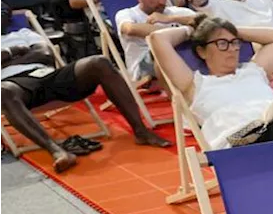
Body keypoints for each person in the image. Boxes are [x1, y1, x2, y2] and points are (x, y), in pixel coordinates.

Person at [0, 25, 170, 172]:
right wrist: (21, 52)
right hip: (13, 87)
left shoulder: (22, 33)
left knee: (99, 62)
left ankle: (141, 131)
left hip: (48, 76)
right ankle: (57, 151)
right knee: (4, 90)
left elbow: (45, 55)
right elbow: (35, 54)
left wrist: (8, 55)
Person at [148, 19, 273, 149]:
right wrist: (194, 29)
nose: (232, 49)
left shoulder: (253, 70)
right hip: (240, 138)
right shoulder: (195, 84)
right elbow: (158, 39)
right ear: (202, 51)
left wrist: (229, 29)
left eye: (235, 42)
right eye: (222, 43)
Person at [114, 0, 196, 86]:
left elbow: (207, 23)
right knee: (161, 46)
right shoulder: (127, 14)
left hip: (179, 63)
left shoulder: (176, 12)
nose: (161, 1)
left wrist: (170, 19)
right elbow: (130, 29)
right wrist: (183, 32)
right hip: (142, 69)